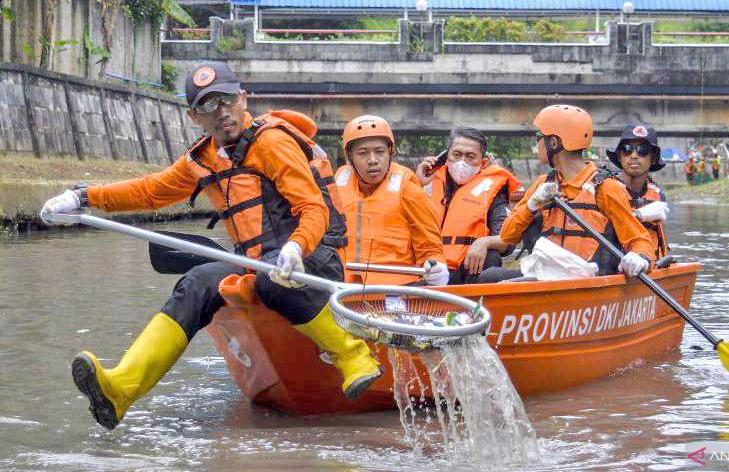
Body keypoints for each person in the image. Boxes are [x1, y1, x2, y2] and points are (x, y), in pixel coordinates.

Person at [39, 62, 382, 430]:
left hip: (313, 258)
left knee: (270, 277)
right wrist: (82, 197)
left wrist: (296, 247)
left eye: (226, 100)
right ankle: (121, 388)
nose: (221, 113)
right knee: (198, 281)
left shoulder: (273, 142)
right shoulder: (202, 159)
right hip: (260, 265)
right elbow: (150, 191)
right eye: (207, 107)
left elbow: (313, 208)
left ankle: (354, 355)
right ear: (193, 117)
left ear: (242, 98)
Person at [481, 104, 657, 282]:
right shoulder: (543, 184)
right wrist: (531, 206)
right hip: (544, 276)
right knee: (489, 277)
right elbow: (507, 235)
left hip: (587, 280)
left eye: (539, 137)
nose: (536, 142)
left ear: (554, 142)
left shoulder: (606, 188)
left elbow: (639, 240)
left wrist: (640, 258)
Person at [335, 115, 448, 286]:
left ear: (390, 152)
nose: (373, 160)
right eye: (363, 153)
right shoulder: (336, 185)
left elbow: (430, 247)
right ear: (349, 158)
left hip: (397, 288)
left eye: (379, 152)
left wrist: (436, 267)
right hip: (342, 287)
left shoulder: (408, 187)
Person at [415, 127, 519, 284]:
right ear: (446, 157)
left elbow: (508, 239)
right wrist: (417, 185)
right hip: (429, 269)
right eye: (456, 155)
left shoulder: (492, 193)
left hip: (466, 271)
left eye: (470, 157)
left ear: (483, 163)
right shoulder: (425, 184)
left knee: (491, 255)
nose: (462, 162)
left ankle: (477, 305)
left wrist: (484, 242)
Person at [606, 123, 670, 260]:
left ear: (653, 158)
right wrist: (638, 215)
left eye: (643, 150)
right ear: (619, 156)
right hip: (616, 266)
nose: (634, 156)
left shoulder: (659, 196)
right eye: (627, 149)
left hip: (649, 266)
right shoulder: (605, 190)